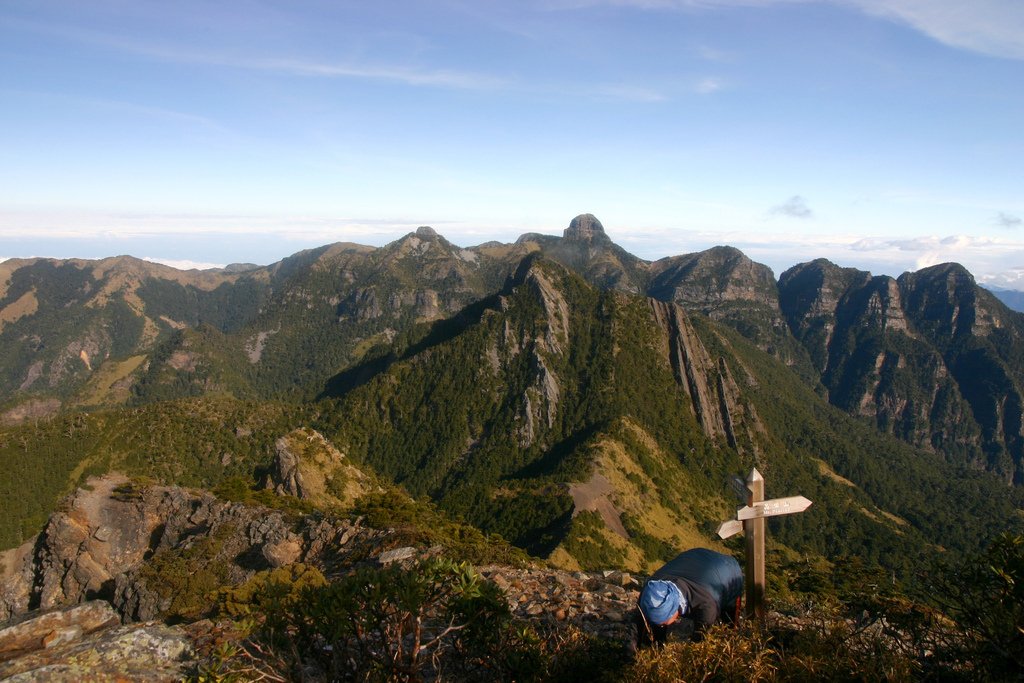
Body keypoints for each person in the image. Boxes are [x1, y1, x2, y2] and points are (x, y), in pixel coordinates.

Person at [634, 547, 743, 646]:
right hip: (694, 557)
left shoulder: (707, 605)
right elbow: (641, 624)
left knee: (729, 621)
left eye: (663, 624)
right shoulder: (650, 591)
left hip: (728, 569)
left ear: (674, 611)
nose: (661, 626)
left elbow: (700, 643)